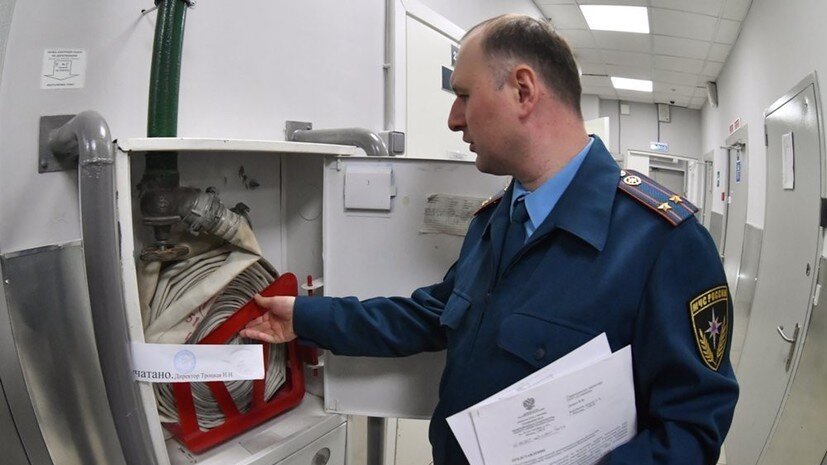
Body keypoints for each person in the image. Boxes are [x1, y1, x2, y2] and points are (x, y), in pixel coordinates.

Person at [241, 14, 738, 465]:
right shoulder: (497, 218)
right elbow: (433, 315)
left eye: (464, 95)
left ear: (523, 90)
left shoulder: (663, 244)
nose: (453, 119)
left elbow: (690, 432)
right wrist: (305, 316)